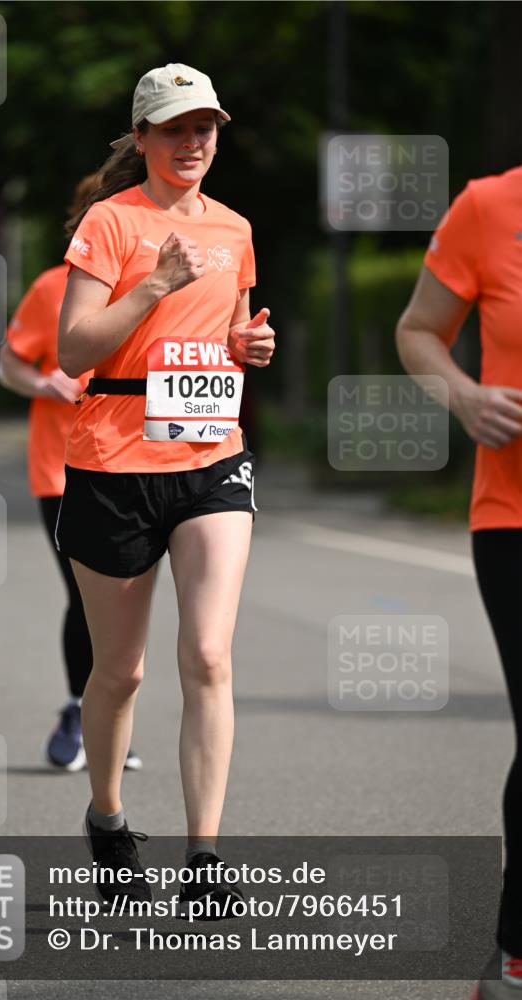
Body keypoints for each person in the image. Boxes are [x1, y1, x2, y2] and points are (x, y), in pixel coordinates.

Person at [55, 63, 275, 914]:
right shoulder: (110, 224)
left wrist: (249, 349)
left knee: (210, 656)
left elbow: (232, 337)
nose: (193, 143)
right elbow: (74, 351)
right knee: (122, 671)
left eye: (205, 128)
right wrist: (155, 284)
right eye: (175, 128)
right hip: (112, 462)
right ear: (141, 138)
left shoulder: (236, 229)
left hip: (210, 456)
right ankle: (108, 819)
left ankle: (204, 858)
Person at [396, 165, 522, 999]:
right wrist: (464, 395)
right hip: (513, 513)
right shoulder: (489, 204)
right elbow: (417, 331)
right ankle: (514, 952)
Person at [0, 175, 142, 773]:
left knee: (126, 604)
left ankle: (108, 717)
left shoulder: (160, 284)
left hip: (139, 463)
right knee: (85, 597)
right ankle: (79, 710)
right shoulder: (53, 287)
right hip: (62, 470)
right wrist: (41, 381)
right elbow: (9, 362)